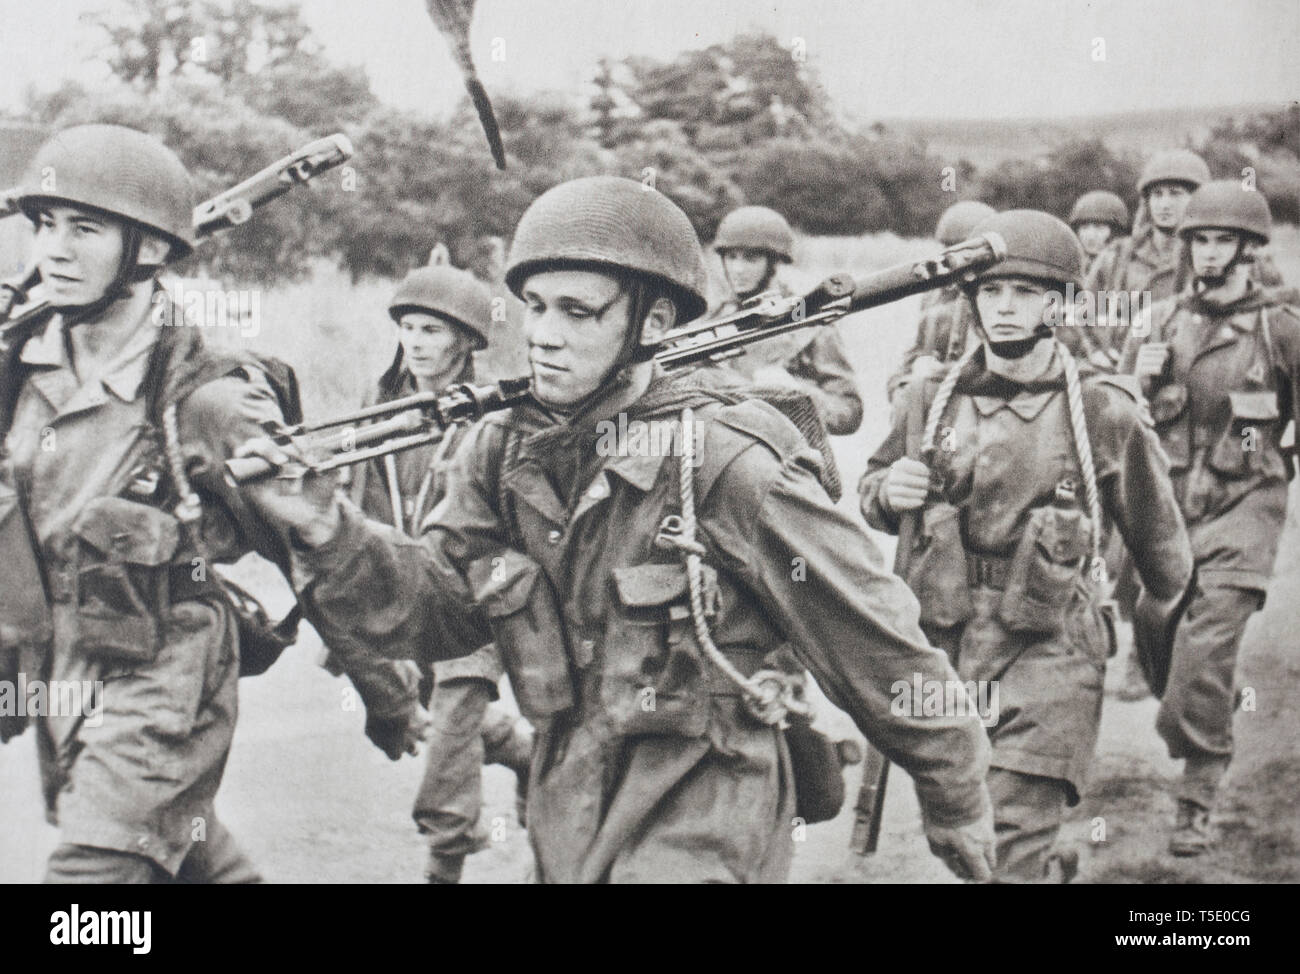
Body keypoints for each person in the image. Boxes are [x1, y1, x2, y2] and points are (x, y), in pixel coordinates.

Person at [243, 175, 996, 884]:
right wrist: (325, 526)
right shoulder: (504, 448)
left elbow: (874, 636)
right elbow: (434, 608)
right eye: (535, 306)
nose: (543, 334)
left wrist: (955, 794)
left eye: (578, 311)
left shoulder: (727, 460)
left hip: (709, 804)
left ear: (653, 321)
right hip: (568, 806)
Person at [0, 124, 438, 882]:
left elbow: (307, 544)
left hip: (166, 669)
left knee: (95, 880)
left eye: (85, 229)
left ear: (150, 250)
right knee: (185, 851)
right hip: (63, 666)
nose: (54, 251)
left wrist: (385, 688)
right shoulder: (23, 363)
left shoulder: (209, 398)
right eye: (44, 225)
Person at [860, 210, 1194, 882]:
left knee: (1009, 830)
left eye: (1023, 292)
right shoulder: (930, 395)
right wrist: (886, 491)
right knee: (962, 839)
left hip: (1051, 641)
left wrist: (1162, 639)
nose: (1004, 307)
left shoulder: (1103, 410)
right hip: (949, 636)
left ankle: (1028, 861)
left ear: (1058, 303)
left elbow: (1165, 557)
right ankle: (1044, 868)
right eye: (989, 291)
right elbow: (873, 489)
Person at [329, 264, 532, 884]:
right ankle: (530, 753)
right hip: (399, 593)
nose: (416, 342)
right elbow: (358, 502)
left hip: (472, 601)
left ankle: (443, 864)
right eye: (408, 328)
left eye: (432, 331)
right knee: (449, 720)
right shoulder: (380, 405)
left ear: (468, 343)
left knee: (448, 736)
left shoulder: (494, 416)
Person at [1119, 181, 1300, 856]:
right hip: (1169, 510)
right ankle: (1202, 712)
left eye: (1223, 239)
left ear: (1251, 249)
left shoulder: (1280, 330)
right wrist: (1136, 379)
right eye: (1198, 239)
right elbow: (1116, 421)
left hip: (1244, 508)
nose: (1208, 252)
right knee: (1155, 631)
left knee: (1203, 651)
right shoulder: (1159, 320)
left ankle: (1197, 788)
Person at [708, 205, 863, 435]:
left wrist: (795, 392)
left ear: (773, 263)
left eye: (750, 259)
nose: (737, 269)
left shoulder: (809, 320)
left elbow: (849, 412)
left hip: (787, 453)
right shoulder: (715, 319)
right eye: (731, 257)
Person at [887, 200, 995, 409]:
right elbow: (910, 361)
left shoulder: (999, 300)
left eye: (962, 251)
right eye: (947, 249)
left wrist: (937, 374)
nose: (951, 260)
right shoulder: (934, 296)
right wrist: (902, 386)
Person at [1068, 190, 1130, 263]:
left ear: (1116, 231)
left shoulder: (1126, 266)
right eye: (1085, 227)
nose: (1090, 236)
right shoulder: (1072, 264)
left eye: (1099, 227)